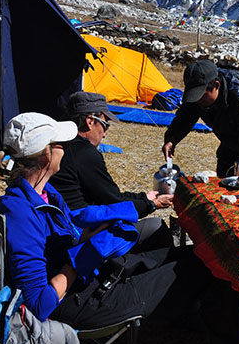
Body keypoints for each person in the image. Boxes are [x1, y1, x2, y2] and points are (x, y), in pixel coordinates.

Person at [0, 112, 239, 344]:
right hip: (76, 302)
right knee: (206, 268)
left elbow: (72, 225)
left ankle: (205, 325)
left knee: (200, 256)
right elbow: (39, 305)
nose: (65, 147)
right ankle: (227, 342)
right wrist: (78, 259)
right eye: (60, 143)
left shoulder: (43, 193)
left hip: (90, 278)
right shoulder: (22, 215)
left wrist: (105, 224)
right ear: (46, 154)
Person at [49, 91, 171, 246]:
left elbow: (107, 194)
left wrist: (144, 198)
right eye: (105, 124)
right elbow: (114, 201)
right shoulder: (84, 153)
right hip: (81, 232)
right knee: (157, 228)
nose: (105, 134)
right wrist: (152, 204)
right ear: (90, 121)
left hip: (63, 226)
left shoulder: (60, 144)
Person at [162, 60, 239, 177]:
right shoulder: (198, 95)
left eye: (202, 96)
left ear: (217, 85)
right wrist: (172, 138)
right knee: (223, 180)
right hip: (230, 141)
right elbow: (185, 116)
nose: (198, 101)